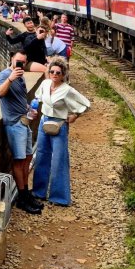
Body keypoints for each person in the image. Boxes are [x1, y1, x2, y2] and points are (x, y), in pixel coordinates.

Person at [31, 58, 90, 206]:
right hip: (44, 123)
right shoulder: (45, 84)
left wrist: (75, 115)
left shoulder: (67, 90)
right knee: (41, 156)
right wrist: (32, 108)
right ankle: (39, 192)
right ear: (49, 72)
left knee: (59, 160)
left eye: (58, 72)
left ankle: (59, 197)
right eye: (52, 71)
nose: (55, 74)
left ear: (63, 74)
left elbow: (86, 104)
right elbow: (37, 98)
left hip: (59, 125)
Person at [0, 50, 42, 214]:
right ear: (11, 60)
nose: (20, 64)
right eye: (18, 61)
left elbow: (21, 99)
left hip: (24, 122)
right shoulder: (4, 75)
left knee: (28, 159)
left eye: (23, 62)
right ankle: (22, 197)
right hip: (14, 125)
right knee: (19, 161)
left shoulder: (21, 76)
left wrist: (29, 109)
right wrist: (10, 78)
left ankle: (26, 193)